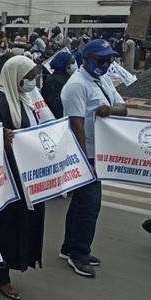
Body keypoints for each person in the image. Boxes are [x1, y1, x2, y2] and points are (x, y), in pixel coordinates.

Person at [60, 39, 127, 277]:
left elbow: (123, 107)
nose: (106, 63)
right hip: (86, 155)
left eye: (109, 59)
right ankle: (79, 255)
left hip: (100, 153)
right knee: (90, 206)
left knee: (80, 204)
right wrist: (82, 162)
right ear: (86, 59)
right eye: (101, 59)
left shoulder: (103, 79)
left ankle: (69, 247)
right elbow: (76, 125)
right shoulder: (77, 85)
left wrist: (109, 110)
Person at [0, 55, 46, 299]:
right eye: (28, 78)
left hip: (28, 174)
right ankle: (1, 276)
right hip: (11, 177)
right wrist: (4, 141)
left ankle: (4, 267)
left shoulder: (25, 99)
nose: (32, 82)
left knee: (24, 223)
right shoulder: (1, 103)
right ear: (16, 77)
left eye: (33, 78)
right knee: (8, 226)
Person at [42, 51, 76, 119]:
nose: (74, 65)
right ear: (65, 64)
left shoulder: (70, 77)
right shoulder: (51, 81)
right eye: (72, 63)